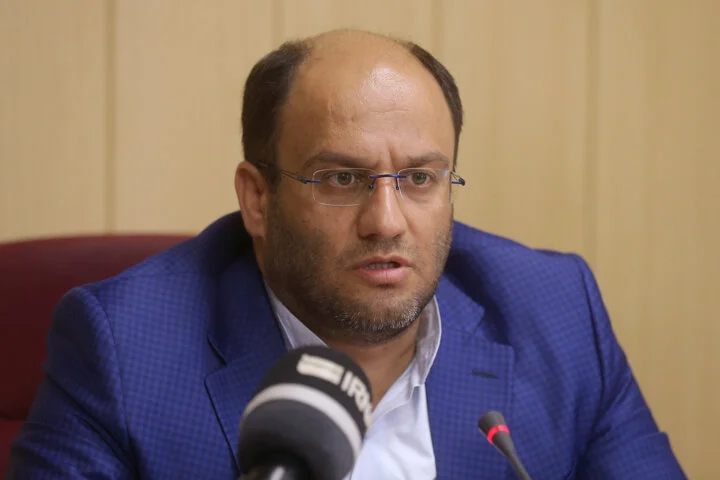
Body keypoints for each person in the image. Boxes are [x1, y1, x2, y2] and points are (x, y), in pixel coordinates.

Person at [8, 29, 685, 479]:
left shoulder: (555, 314)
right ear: (257, 199)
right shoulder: (126, 347)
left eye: (419, 178)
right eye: (340, 179)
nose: (386, 221)